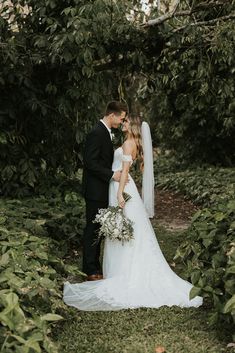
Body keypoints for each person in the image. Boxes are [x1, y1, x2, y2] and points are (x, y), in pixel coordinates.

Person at [63, 116, 203, 310]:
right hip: (121, 189)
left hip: (123, 190)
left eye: (127, 122)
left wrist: (120, 194)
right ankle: (117, 271)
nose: (123, 124)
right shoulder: (129, 142)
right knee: (123, 230)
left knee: (124, 231)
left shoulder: (128, 144)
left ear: (134, 127)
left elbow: (125, 172)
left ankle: (125, 273)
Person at [81, 101, 128, 281]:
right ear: (111, 115)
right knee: (92, 229)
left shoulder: (106, 132)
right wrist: (112, 175)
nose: (121, 122)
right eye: (121, 119)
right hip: (94, 191)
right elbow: (90, 163)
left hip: (101, 190)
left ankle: (95, 267)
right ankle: (90, 270)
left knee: (98, 228)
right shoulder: (96, 133)